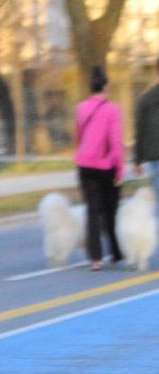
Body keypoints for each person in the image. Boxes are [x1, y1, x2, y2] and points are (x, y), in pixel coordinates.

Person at [75, 69, 126, 270]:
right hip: (107, 166)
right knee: (110, 211)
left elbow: (79, 136)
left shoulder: (81, 108)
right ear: (105, 87)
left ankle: (95, 259)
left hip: (85, 165)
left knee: (92, 212)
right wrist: (120, 171)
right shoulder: (113, 110)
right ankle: (115, 253)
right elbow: (116, 142)